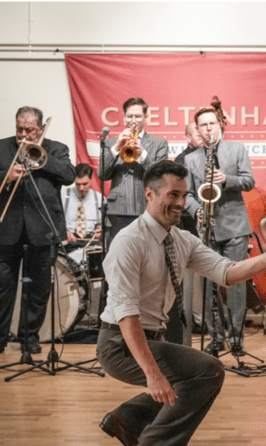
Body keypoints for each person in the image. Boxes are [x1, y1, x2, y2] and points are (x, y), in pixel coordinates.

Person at [97, 160, 266, 446]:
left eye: (184, 195)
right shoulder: (129, 242)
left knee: (194, 372)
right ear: (149, 194)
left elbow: (228, 273)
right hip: (119, 343)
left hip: (151, 337)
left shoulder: (181, 240)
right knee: (206, 370)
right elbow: (126, 315)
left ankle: (128, 419)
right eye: (173, 195)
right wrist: (153, 375)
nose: (181, 203)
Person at [0, 106, 75, 358]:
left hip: (42, 231)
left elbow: (68, 175)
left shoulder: (57, 148)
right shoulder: (0, 147)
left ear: (40, 129)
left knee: (38, 289)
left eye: (29, 130)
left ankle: (29, 337)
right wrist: (7, 175)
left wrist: (41, 158)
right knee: (0, 289)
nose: (22, 135)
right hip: (4, 230)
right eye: (19, 129)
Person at [184, 98, 256, 354]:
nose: (208, 129)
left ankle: (236, 339)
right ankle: (215, 337)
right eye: (202, 125)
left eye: (211, 123)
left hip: (234, 227)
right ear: (197, 129)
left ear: (219, 124)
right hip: (206, 229)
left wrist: (227, 179)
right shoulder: (191, 159)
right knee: (207, 287)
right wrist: (196, 212)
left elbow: (249, 181)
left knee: (236, 286)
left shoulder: (236, 149)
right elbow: (188, 195)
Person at [100, 97, 169, 249]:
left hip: (145, 207)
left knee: (146, 256)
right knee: (118, 255)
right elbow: (102, 174)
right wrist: (117, 146)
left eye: (138, 116)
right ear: (124, 118)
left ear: (146, 117)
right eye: (130, 116)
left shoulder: (159, 143)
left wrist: (142, 153)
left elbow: (161, 176)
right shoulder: (111, 142)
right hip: (117, 209)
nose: (133, 120)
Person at [62, 163, 103, 249]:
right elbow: (54, 220)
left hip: (91, 242)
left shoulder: (100, 198)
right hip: (69, 241)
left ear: (91, 179)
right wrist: (63, 231)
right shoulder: (63, 195)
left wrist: (101, 230)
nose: (81, 188)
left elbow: (106, 224)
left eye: (85, 184)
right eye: (78, 184)